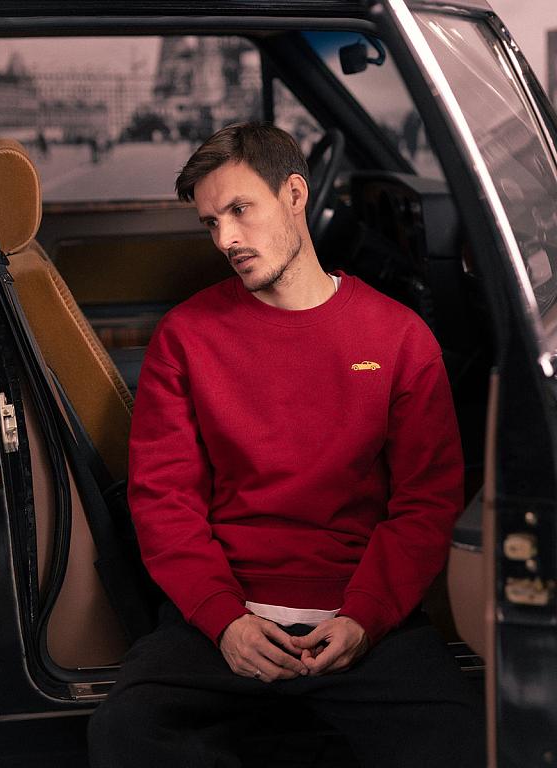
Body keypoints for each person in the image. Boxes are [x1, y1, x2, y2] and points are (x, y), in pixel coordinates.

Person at [88, 122, 484, 767]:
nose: (226, 239)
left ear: (295, 194)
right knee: (125, 732)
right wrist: (225, 621)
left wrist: (365, 619)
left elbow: (426, 502)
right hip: (222, 621)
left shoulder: (400, 338)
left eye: (239, 210)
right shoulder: (184, 338)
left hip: (360, 620)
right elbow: (164, 501)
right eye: (211, 223)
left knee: (463, 741)